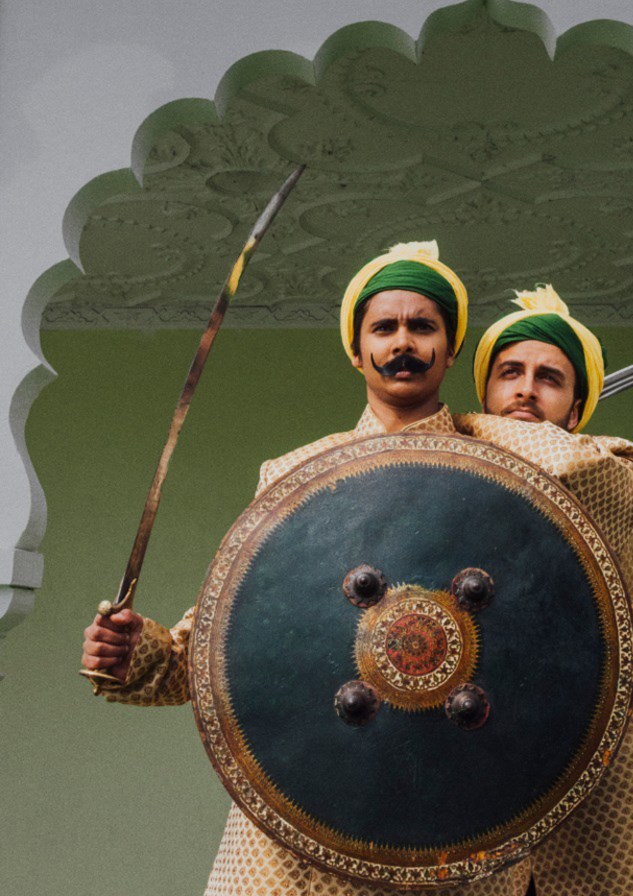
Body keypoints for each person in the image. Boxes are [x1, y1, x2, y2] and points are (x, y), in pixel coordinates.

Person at [80, 241, 530, 896]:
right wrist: (134, 653)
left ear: (451, 346)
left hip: (455, 821)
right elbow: (213, 648)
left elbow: (550, 644)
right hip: (301, 830)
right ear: (356, 348)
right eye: (384, 326)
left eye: (422, 326)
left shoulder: (508, 474)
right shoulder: (294, 476)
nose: (403, 342)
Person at [454, 284, 633, 896]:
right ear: (488, 385)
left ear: (577, 408)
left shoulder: (616, 466)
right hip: (480, 757)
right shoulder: (446, 481)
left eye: (549, 377)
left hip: (596, 759)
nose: (525, 389)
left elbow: (558, 466)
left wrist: (466, 426)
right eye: (510, 373)